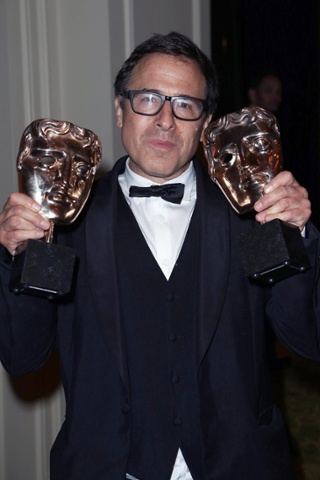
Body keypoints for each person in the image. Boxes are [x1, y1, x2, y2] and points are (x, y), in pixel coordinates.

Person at [0, 31, 319, 480]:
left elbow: (306, 336)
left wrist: (299, 232)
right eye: (148, 98)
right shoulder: (65, 222)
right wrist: (16, 253)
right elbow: (24, 356)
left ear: (205, 123)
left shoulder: (250, 214)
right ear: (119, 109)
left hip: (238, 466)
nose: (166, 120)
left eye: (185, 104)